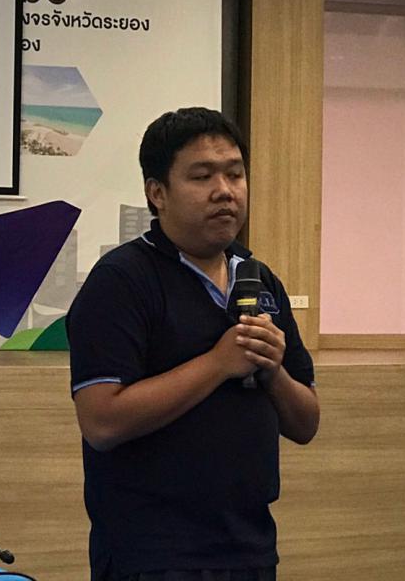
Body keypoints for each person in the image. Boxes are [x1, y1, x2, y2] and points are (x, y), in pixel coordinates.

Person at [66, 107, 320, 581]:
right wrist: (219, 363)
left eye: (235, 174)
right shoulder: (121, 281)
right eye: (202, 177)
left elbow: (306, 423)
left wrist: (272, 371)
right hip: (153, 555)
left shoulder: (258, 278)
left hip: (250, 547)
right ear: (157, 193)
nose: (224, 191)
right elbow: (101, 422)